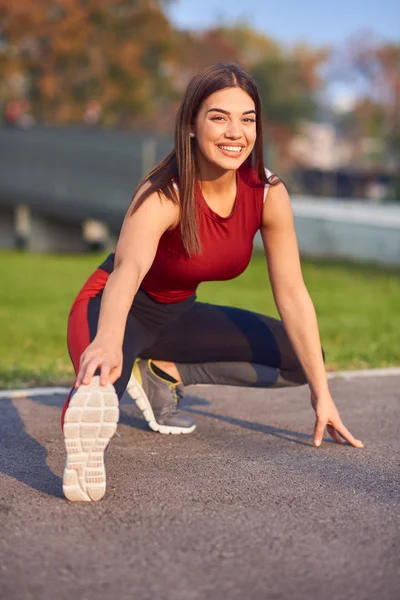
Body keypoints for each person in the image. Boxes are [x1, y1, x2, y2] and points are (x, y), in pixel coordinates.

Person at [62, 63, 364, 503]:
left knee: (304, 358)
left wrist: (324, 396)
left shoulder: (267, 194)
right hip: (114, 306)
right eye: (219, 117)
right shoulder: (164, 192)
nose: (235, 132)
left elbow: (293, 293)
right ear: (191, 125)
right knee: (98, 386)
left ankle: (166, 373)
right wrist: (108, 339)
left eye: (247, 119)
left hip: (180, 316)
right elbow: (127, 270)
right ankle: (88, 440)